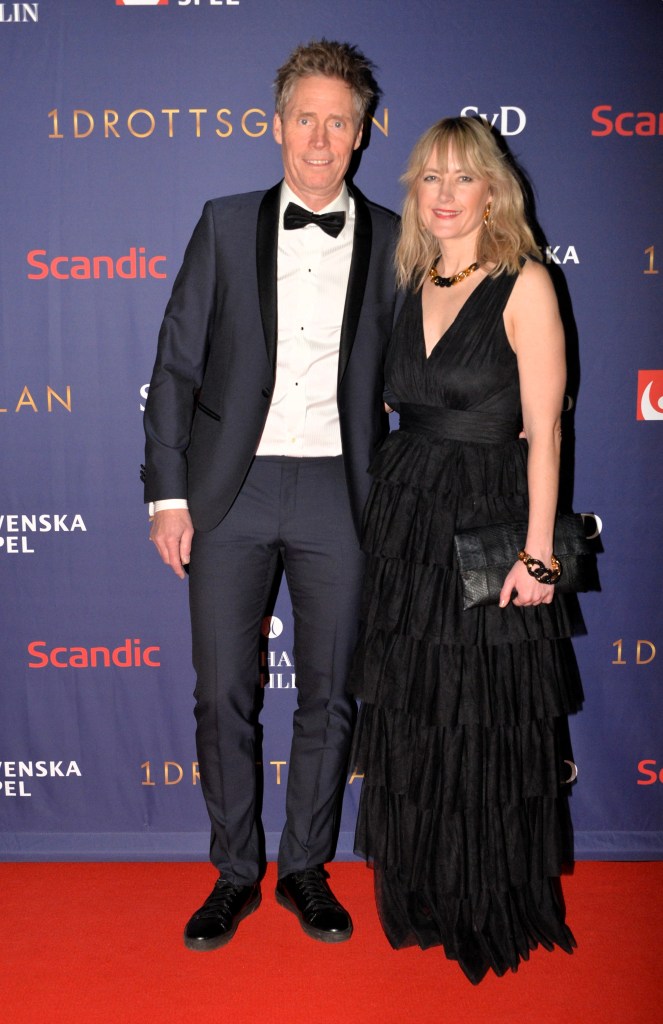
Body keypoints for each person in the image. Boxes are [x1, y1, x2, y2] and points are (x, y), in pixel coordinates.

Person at [142, 39, 400, 950]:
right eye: (306, 119)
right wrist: (167, 496)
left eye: (339, 122)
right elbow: (175, 369)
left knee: (331, 694)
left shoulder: (397, 239)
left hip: (342, 489)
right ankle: (233, 872)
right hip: (230, 489)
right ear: (277, 125)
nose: (320, 139)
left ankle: (304, 869)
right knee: (223, 692)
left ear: (361, 134)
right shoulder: (222, 224)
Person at [349, 116, 584, 983]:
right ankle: (420, 888)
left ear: (493, 191)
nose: (444, 195)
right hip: (406, 522)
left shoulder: (526, 283)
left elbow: (545, 432)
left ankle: (481, 901)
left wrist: (538, 555)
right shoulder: (408, 280)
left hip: (489, 519)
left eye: (462, 178)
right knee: (416, 709)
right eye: (429, 178)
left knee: (480, 712)